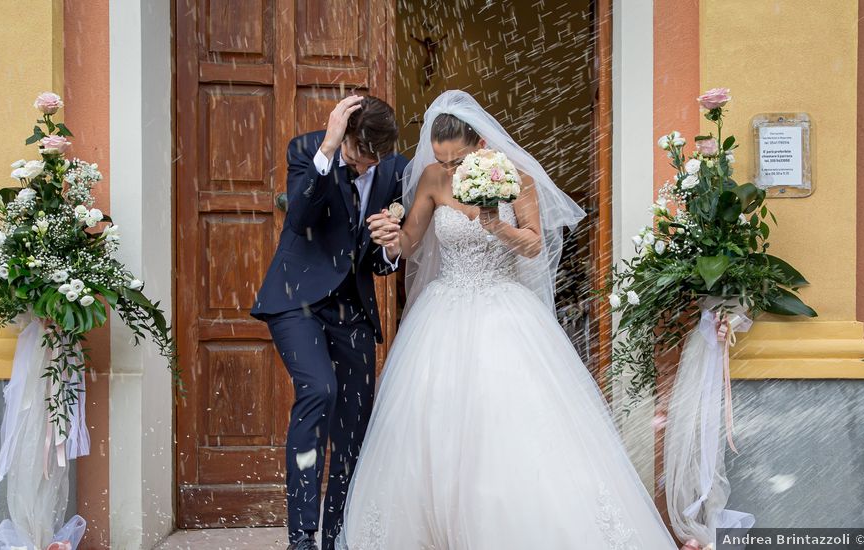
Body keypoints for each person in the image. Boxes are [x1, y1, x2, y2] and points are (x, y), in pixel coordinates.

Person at [334, 90, 681, 549]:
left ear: (479, 144)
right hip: (444, 312)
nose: (450, 170)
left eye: (457, 160)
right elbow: (409, 244)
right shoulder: (434, 181)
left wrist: (498, 226)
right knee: (433, 421)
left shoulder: (514, 177)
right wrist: (388, 238)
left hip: (503, 311)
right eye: (442, 160)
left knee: (511, 421)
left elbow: (536, 244)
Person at [251, 94, 407, 550]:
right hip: (295, 301)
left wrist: (390, 247)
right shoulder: (307, 151)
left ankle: (336, 535)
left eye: (373, 160)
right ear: (345, 136)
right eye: (358, 155)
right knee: (319, 390)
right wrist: (329, 148)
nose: (364, 168)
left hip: (351, 309)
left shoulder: (394, 170)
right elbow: (298, 218)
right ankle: (301, 536)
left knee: (354, 422)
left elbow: (378, 262)